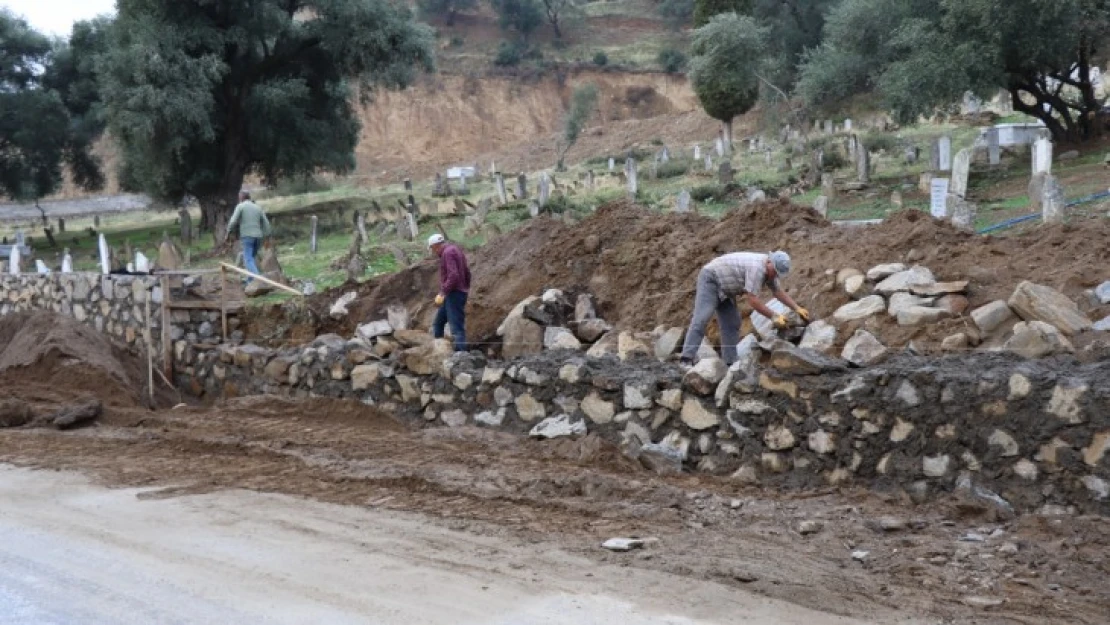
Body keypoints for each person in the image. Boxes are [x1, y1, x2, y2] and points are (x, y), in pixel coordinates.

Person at [679, 250, 809, 365]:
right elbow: (752, 301)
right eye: (774, 271)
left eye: (777, 274)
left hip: (726, 289)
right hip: (711, 279)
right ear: (769, 261)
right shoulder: (757, 268)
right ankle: (686, 359)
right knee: (702, 318)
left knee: (732, 322)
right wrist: (774, 316)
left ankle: (729, 362)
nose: (774, 275)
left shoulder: (770, 272)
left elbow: (778, 292)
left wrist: (796, 308)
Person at [428, 233, 471, 352]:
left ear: (436, 246)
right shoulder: (456, 250)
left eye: (432, 249)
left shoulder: (447, 253)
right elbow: (467, 272)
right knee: (438, 323)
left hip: (453, 294)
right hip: (455, 293)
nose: (433, 252)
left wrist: (443, 292)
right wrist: (465, 288)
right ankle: (439, 351)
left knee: (456, 327)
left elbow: (453, 275)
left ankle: (461, 356)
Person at [226, 191, 272, 280]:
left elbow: (233, 221)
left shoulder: (240, 206)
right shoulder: (257, 207)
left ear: (241, 198)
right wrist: (267, 236)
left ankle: (258, 280)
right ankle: (250, 282)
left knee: (248, 259)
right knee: (251, 259)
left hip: (247, 237)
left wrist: (228, 232)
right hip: (258, 237)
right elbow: (266, 223)